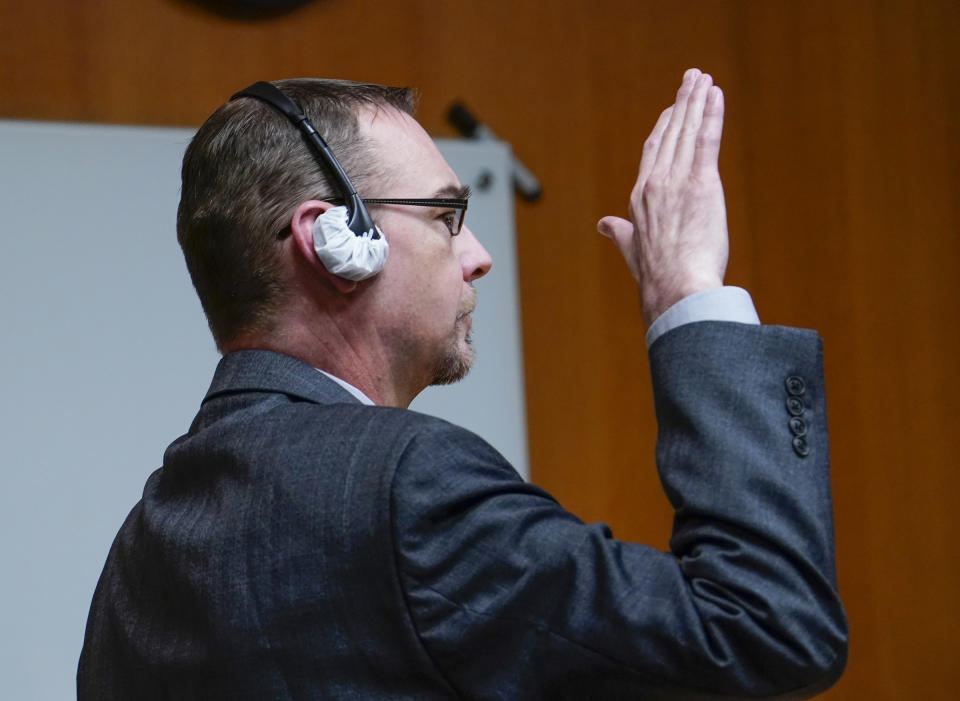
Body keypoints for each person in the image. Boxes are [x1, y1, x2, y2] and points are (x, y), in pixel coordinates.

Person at [78, 69, 848, 699]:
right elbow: (764, 625)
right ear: (335, 240)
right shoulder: (407, 488)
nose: (476, 254)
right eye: (447, 215)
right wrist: (690, 295)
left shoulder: (138, 555)